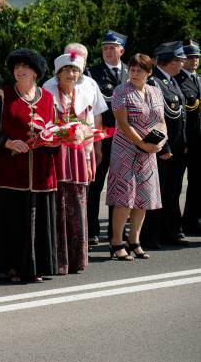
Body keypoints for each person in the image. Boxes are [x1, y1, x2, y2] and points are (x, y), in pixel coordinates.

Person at [0, 48, 58, 283]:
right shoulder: (3, 96)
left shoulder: (48, 99)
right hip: (9, 174)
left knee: (38, 220)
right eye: (17, 67)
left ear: (36, 73)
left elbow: (56, 131)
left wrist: (53, 138)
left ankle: (36, 267)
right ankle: (13, 267)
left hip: (40, 173)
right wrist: (8, 143)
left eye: (25, 67)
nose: (20, 71)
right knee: (13, 221)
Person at [43, 51, 99, 274]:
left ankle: (76, 260)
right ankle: (58, 260)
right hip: (56, 155)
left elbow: (89, 130)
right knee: (57, 205)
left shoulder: (84, 96)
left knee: (77, 205)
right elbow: (43, 126)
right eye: (66, 70)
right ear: (58, 74)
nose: (71, 74)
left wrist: (87, 158)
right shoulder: (48, 95)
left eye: (74, 70)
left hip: (77, 156)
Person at [106, 54, 165, 260]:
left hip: (149, 152)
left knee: (144, 197)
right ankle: (116, 242)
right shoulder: (121, 91)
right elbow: (124, 123)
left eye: (140, 69)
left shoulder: (156, 92)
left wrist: (160, 142)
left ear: (149, 73)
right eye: (132, 68)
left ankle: (135, 240)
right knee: (124, 198)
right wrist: (141, 144)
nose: (134, 72)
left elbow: (162, 120)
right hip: (125, 151)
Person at [141, 42, 188, 249]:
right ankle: (151, 236)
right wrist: (164, 146)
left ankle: (168, 232)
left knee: (171, 192)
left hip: (176, 149)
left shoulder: (170, 81)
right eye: (180, 59)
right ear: (171, 62)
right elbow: (155, 119)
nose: (183, 63)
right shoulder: (154, 83)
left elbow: (181, 116)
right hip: (162, 150)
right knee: (156, 194)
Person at [85, 31, 129, 246]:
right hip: (102, 137)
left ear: (122, 50)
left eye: (112, 48)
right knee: (95, 185)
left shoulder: (131, 72)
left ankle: (116, 232)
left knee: (121, 186)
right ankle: (92, 229)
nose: (108, 51)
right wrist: (97, 143)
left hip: (126, 139)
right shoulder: (92, 74)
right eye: (105, 48)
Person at [175, 40, 201, 235]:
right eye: (190, 58)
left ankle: (192, 220)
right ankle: (174, 224)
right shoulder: (177, 81)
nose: (194, 61)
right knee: (175, 185)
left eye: (197, 58)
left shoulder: (198, 80)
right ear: (182, 60)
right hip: (184, 141)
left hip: (198, 141)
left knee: (197, 184)